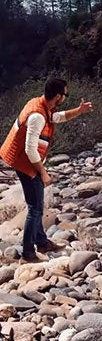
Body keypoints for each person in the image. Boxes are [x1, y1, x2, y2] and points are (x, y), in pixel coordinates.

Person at [0, 78, 94, 263]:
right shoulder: (38, 116)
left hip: (20, 158)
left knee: (37, 205)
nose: (66, 98)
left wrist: (79, 111)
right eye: (66, 95)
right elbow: (29, 149)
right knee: (35, 209)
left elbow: (57, 118)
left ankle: (42, 242)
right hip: (24, 162)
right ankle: (28, 253)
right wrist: (43, 172)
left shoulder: (41, 105)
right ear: (58, 96)